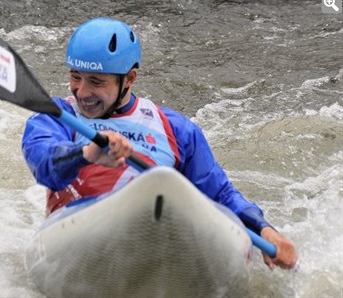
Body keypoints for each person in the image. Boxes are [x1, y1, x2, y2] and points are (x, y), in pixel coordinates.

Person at [22, 17, 297, 270]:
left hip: (159, 233)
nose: (82, 92)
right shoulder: (57, 116)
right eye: (75, 77)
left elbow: (220, 196)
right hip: (78, 227)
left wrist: (263, 229)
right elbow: (44, 164)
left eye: (96, 81)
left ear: (130, 78)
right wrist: (86, 154)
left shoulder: (176, 129)